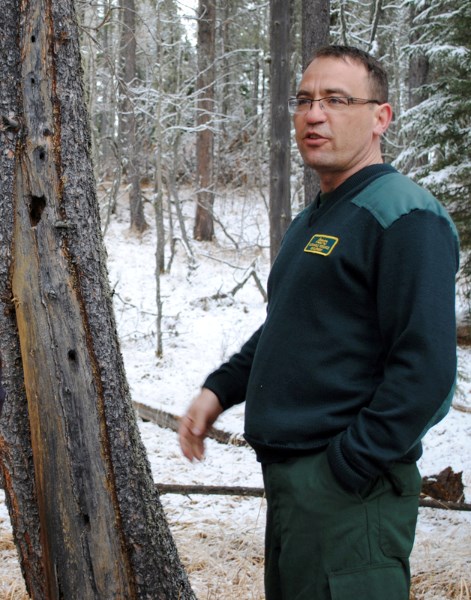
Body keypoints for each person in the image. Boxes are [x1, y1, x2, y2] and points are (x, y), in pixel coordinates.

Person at [178, 45, 459, 600]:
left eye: (336, 99)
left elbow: (426, 372)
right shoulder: (320, 215)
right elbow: (292, 325)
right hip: (294, 489)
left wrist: (347, 467)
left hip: (350, 496)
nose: (314, 114)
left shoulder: (405, 217)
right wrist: (219, 390)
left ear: (381, 116)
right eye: (305, 100)